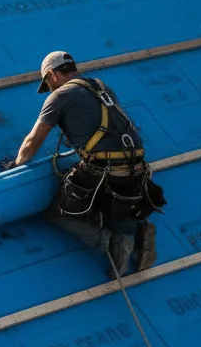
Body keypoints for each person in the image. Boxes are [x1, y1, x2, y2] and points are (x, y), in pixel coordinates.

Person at [11, 51, 163, 276]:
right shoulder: (101, 87)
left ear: (52, 75)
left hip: (104, 170)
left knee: (58, 212)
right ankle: (132, 233)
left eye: (48, 83)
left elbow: (33, 141)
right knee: (118, 199)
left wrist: (16, 166)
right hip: (137, 168)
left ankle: (107, 241)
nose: (49, 89)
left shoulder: (59, 96)